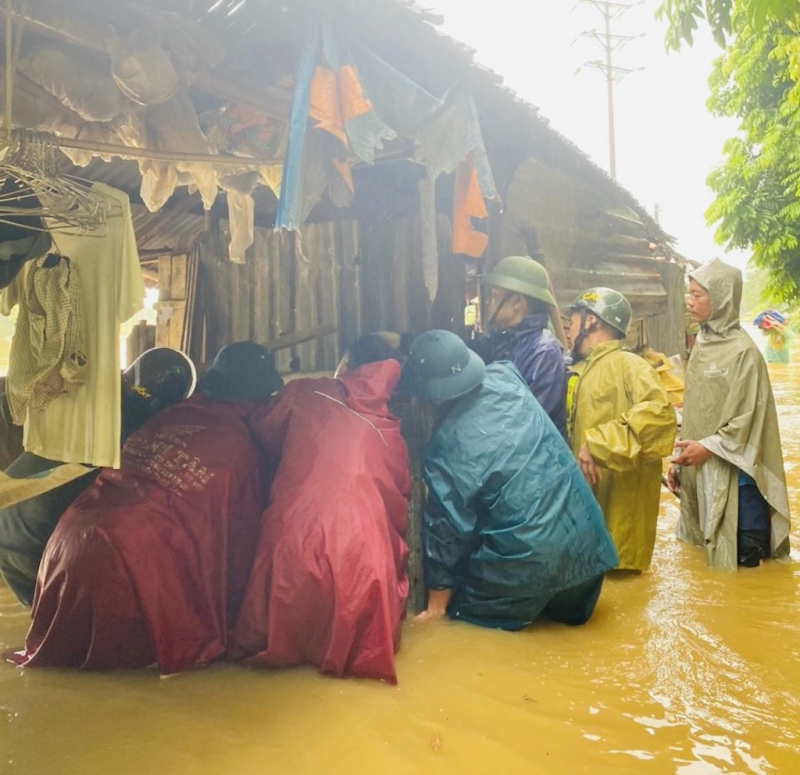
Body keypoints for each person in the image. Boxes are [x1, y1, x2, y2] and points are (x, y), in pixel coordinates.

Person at [14, 341, 283, 673]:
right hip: (130, 570)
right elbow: (237, 553)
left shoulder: (159, 415)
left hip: (63, 545)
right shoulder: (243, 447)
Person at [403, 329, 618, 630]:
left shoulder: (445, 447)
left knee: (461, 624)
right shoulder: (506, 376)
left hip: (527, 566)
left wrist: (438, 606)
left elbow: (446, 529)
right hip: (590, 554)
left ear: (428, 397)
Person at [230, 333, 410, 683]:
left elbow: (259, 433)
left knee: (273, 664)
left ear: (344, 364)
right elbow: (398, 502)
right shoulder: (392, 432)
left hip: (291, 545)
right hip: (362, 567)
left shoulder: (303, 392)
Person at [0, 347, 197, 606]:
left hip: (7, 519)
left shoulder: (92, 403)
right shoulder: (137, 437)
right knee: (62, 628)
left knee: (41, 628)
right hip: (37, 540)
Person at [668, 260, 791, 569]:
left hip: (741, 493)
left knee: (744, 581)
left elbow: (749, 418)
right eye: (689, 293)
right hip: (701, 480)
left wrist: (708, 447)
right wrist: (681, 463)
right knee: (705, 582)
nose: (689, 301)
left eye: (698, 294)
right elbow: (697, 410)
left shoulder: (745, 353)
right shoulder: (702, 344)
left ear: (721, 297)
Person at [566, 288, 676, 572]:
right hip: (592, 522)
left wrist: (597, 445)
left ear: (591, 321)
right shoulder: (581, 370)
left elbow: (661, 419)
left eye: (573, 321)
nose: (568, 329)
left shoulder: (630, 366)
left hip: (621, 533)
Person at [472, 255, 567, 434]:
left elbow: (526, 422)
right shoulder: (503, 340)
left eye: (494, 296)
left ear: (517, 302)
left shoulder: (543, 351)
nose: (489, 303)